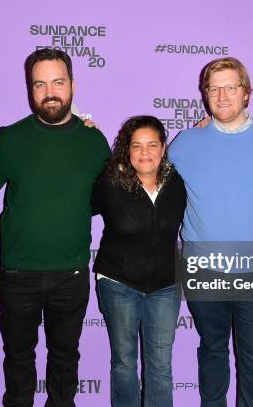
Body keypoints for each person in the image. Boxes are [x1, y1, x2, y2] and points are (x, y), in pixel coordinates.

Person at [0, 48, 110, 407]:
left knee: (65, 358)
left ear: (72, 84)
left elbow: (112, 200)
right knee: (18, 357)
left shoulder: (93, 141)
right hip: (17, 273)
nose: (49, 91)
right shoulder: (9, 139)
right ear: (30, 88)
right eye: (40, 84)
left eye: (58, 82)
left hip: (70, 273)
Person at [168, 57, 253, 407]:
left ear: (246, 93)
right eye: (213, 88)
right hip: (204, 271)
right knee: (212, 352)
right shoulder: (185, 143)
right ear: (205, 95)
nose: (222, 96)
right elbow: (155, 195)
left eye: (230, 87)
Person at [92, 116, 186, 407]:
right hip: (119, 284)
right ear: (127, 150)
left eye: (152, 145)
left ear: (163, 149)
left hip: (165, 286)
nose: (145, 153)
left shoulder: (176, 183)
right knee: (124, 364)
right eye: (137, 146)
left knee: (160, 367)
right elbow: (77, 205)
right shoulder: (110, 183)